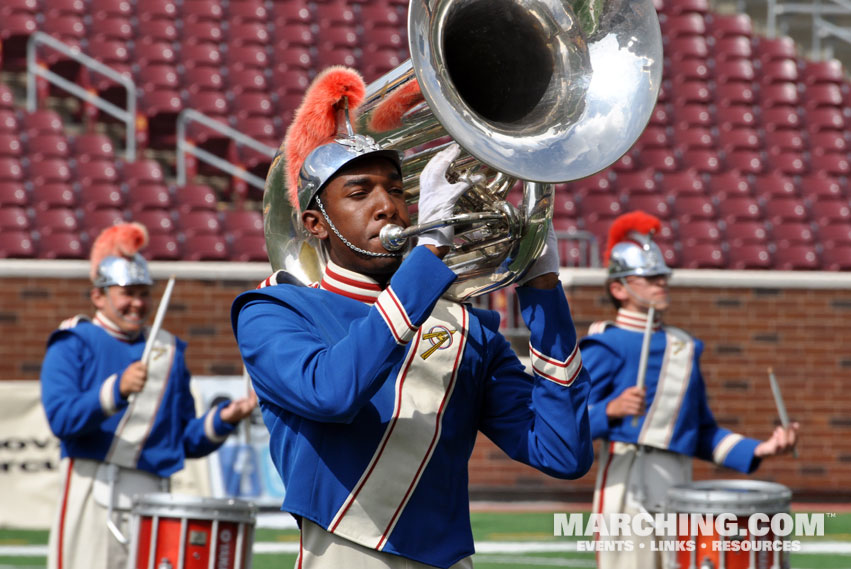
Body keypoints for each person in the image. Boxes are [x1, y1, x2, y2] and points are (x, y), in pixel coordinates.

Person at [231, 66, 593, 568]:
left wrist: (544, 291)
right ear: (316, 223)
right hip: (345, 553)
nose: (388, 208)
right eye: (360, 194)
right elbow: (332, 393)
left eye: (397, 191)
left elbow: (562, 453)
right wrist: (426, 260)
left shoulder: (466, 327)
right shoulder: (275, 310)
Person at [581, 210, 800, 569]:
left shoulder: (684, 345)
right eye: (649, 277)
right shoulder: (605, 345)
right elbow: (565, 425)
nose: (660, 284)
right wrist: (610, 411)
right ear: (618, 289)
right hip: (628, 473)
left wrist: (762, 447)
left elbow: (700, 432)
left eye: (662, 276)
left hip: (679, 479)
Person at [40, 222, 256, 569]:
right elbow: (61, 419)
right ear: (99, 295)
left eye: (144, 293)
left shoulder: (168, 350)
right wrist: (115, 391)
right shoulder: (73, 342)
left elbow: (182, 441)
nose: (137, 304)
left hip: (156, 495)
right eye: (127, 292)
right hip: (93, 487)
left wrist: (224, 419)